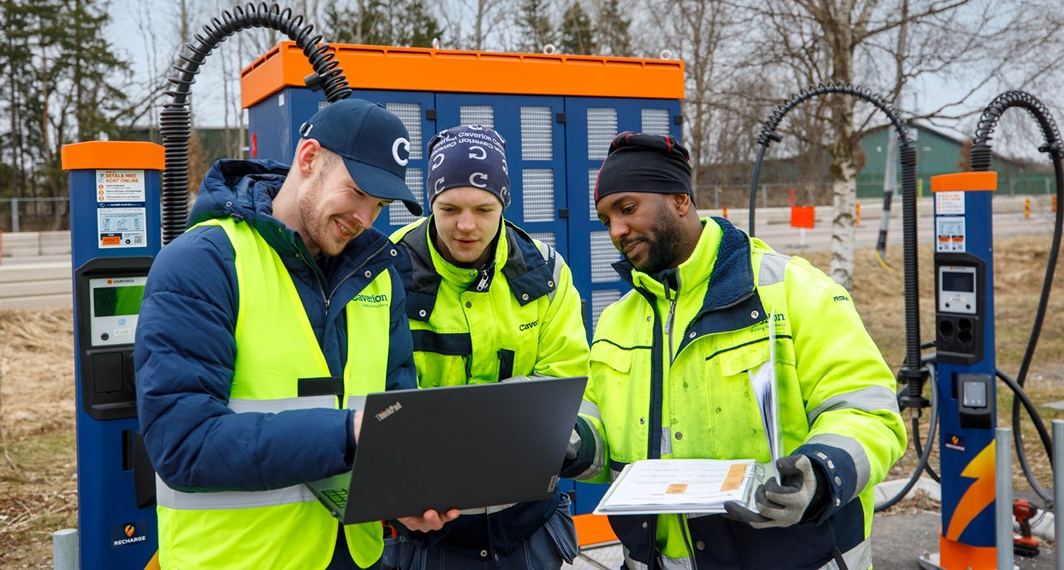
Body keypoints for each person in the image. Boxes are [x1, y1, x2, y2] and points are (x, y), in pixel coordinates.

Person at [134, 99, 456, 570]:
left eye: (380, 205)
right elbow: (183, 443)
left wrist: (401, 496)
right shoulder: (204, 262)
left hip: (357, 558)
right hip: (238, 560)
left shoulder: (378, 276)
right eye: (357, 191)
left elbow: (395, 410)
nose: (365, 218)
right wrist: (349, 434)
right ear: (308, 159)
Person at [562, 132, 907, 569]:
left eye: (627, 209)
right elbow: (602, 433)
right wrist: (571, 443)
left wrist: (820, 475)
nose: (616, 230)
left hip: (795, 557)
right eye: (606, 219)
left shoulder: (795, 291)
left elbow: (868, 412)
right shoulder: (616, 322)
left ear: (680, 200)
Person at [388, 124, 590, 568]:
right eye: (449, 208)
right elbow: (370, 397)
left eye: (483, 208)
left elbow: (569, 380)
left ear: (504, 204)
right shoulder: (384, 274)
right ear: (429, 204)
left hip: (528, 530)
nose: (466, 225)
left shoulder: (547, 271)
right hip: (422, 537)